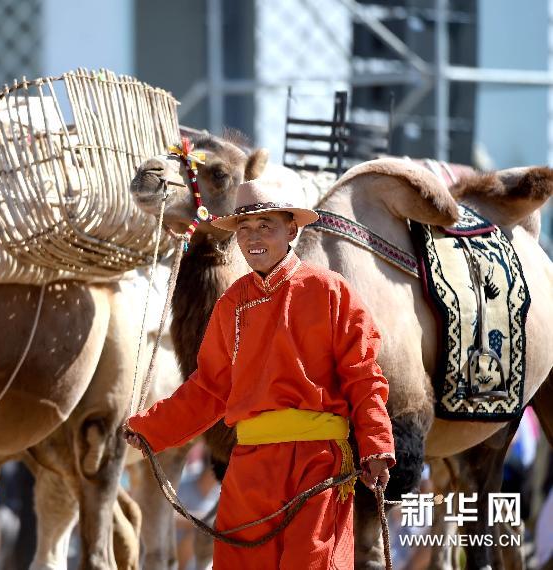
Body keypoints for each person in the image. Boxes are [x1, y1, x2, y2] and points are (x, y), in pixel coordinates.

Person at [124, 176, 395, 569]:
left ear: (292, 229)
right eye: (245, 228)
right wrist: (151, 428)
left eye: (265, 226)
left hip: (317, 463)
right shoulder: (231, 303)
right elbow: (209, 388)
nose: (253, 237)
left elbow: (363, 376)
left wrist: (376, 445)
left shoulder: (331, 291)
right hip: (249, 467)